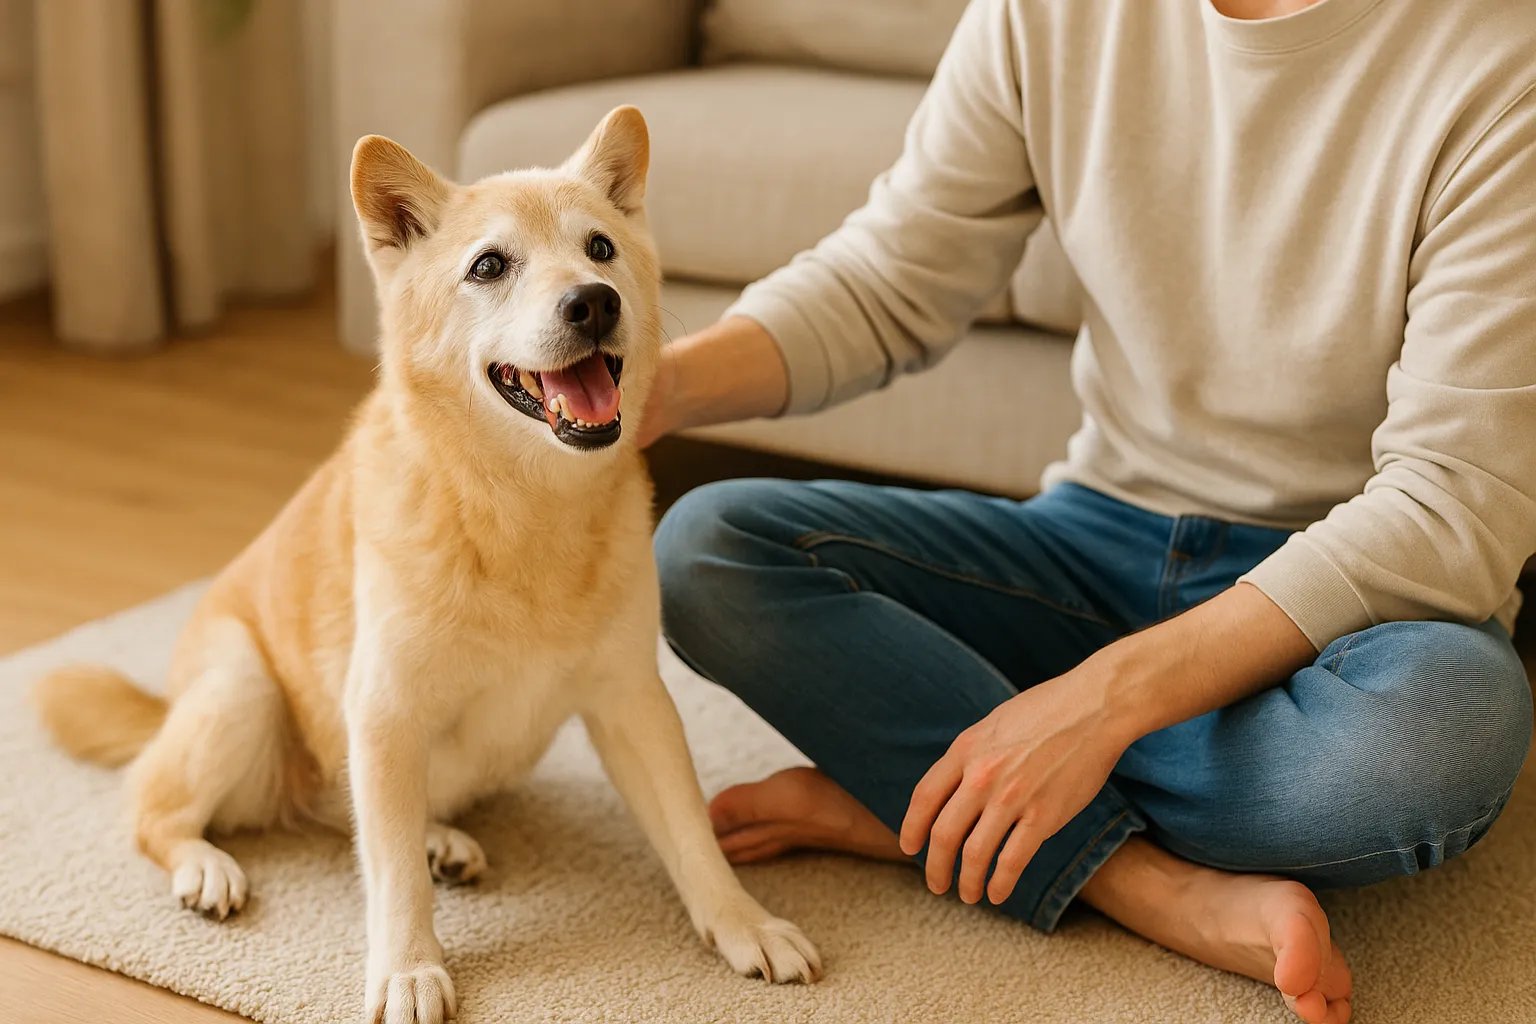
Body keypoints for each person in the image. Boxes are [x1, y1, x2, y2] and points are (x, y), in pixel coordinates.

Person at [643, 1, 1536, 1021]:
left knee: (1445, 733)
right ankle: (1123, 874)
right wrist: (661, 389)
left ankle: (916, 781)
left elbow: (1453, 507)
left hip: (1350, 615)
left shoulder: (1506, 63)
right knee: (710, 550)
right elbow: (895, 274)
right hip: (1093, 536)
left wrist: (1102, 702)